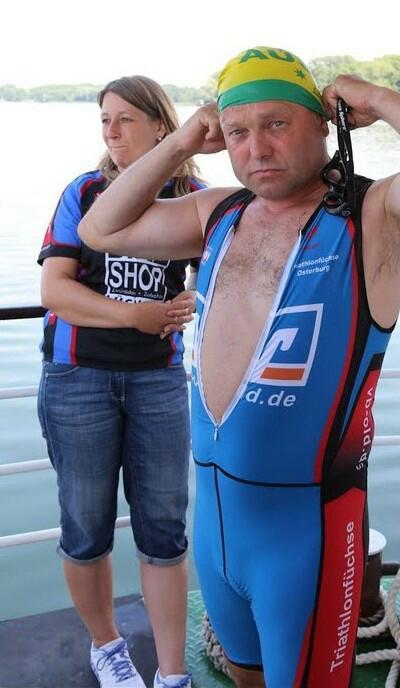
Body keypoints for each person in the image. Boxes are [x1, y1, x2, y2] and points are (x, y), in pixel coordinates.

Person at [79, 47, 400, 688]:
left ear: (323, 124)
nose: (257, 148)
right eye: (238, 132)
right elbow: (101, 230)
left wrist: (376, 99)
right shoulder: (218, 214)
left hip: (308, 537)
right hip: (216, 531)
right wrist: (184, 138)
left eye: (277, 124)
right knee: (243, 677)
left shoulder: (375, 217)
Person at [37, 75, 204, 688]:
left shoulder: (193, 197)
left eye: (125, 118)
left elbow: (223, 276)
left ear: (161, 125)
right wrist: (132, 316)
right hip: (78, 379)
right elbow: (55, 291)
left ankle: (172, 672)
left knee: (164, 529)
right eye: (105, 118)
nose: (110, 130)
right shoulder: (85, 191)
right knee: (86, 526)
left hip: (158, 382)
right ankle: (107, 648)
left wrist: (195, 295)